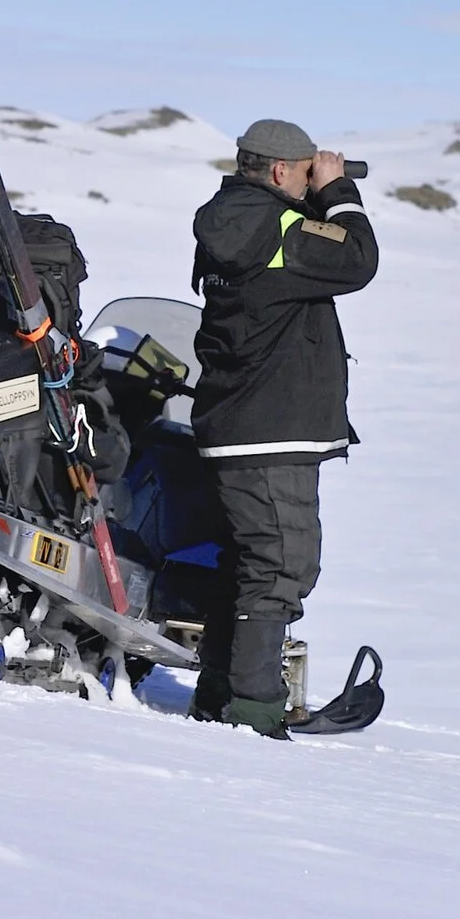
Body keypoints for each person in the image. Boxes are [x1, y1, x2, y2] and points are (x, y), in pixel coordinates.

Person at [188, 118, 379, 737]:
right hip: (271, 430)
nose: (311, 179)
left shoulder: (227, 219)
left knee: (246, 567)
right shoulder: (280, 228)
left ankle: (220, 698)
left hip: (234, 422)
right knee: (280, 569)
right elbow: (356, 259)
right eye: (303, 170)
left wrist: (316, 189)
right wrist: (339, 193)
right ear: (279, 172)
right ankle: (254, 714)